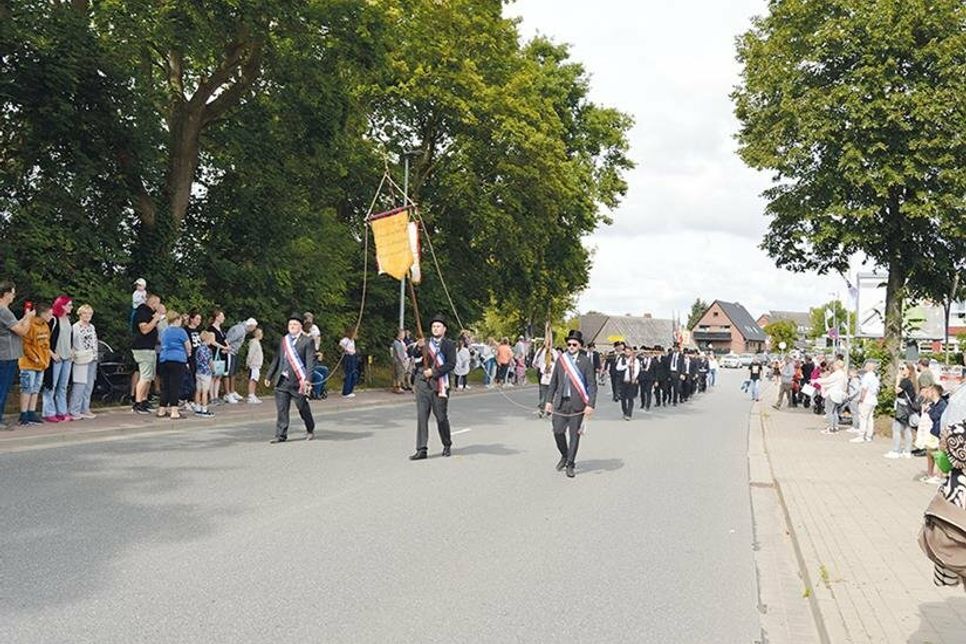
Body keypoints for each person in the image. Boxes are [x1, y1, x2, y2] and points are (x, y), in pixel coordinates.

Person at [544, 330, 597, 478]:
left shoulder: (585, 362)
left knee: (574, 435)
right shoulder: (562, 360)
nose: (571, 346)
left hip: (577, 404)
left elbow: (592, 385)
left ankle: (570, 464)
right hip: (561, 403)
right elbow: (553, 382)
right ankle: (565, 455)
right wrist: (548, 401)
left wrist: (590, 404)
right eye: (569, 344)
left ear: (580, 345)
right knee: (558, 431)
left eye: (574, 344)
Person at [408, 314, 456, 460]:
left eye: (438, 326)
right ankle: (421, 449)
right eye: (433, 326)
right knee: (422, 416)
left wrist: (434, 372)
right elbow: (413, 354)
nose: (435, 328)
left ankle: (446, 444)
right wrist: (418, 347)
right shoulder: (426, 342)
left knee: (441, 417)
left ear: (444, 329)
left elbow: (451, 364)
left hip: (439, 384)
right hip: (422, 382)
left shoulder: (449, 344)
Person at [264, 315, 316, 443]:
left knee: (302, 407)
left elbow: (310, 361)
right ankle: (280, 435)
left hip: (298, 382)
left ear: (300, 326)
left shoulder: (307, 341)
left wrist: (308, 379)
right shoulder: (284, 340)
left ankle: (310, 428)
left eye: (295, 324)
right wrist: (269, 375)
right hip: (282, 380)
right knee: (282, 409)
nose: (292, 326)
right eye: (290, 324)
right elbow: (277, 358)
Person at [0, 281, 32, 430]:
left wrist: (24, 318)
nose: (14, 296)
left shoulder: (4, 311)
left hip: (5, 354)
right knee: (3, 388)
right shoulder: (4, 311)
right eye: (13, 293)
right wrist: (29, 318)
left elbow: (13, 326)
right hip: (7, 355)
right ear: (6, 294)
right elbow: (22, 331)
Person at [17, 303, 53, 427]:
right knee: (27, 388)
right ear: (42, 314)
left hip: (41, 363)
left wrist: (46, 359)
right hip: (29, 363)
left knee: (36, 388)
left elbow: (46, 344)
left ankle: (31, 412)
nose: (51, 316)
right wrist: (35, 358)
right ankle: (23, 414)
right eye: (49, 314)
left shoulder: (45, 326)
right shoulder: (30, 325)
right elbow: (25, 344)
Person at [41, 295, 73, 422]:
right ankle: (48, 411)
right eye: (69, 305)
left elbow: (68, 338)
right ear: (62, 306)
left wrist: (71, 350)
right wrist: (52, 353)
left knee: (63, 386)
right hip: (56, 357)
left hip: (67, 357)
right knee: (51, 385)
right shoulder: (53, 320)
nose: (71, 307)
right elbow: (44, 339)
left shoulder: (68, 320)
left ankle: (62, 410)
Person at [132, 294, 164, 414]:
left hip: (150, 348)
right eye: (158, 303)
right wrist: (155, 320)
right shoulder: (142, 312)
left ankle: (144, 400)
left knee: (149, 377)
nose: (159, 306)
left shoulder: (149, 313)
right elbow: (144, 330)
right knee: (145, 376)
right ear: (153, 302)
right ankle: (138, 402)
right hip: (142, 348)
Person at [157, 310, 190, 419]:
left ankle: (161, 409)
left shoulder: (165, 331)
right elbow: (188, 346)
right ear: (176, 319)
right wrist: (188, 354)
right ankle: (174, 411)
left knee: (165, 385)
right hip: (177, 359)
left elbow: (161, 342)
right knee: (175, 385)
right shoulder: (181, 332)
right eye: (180, 319)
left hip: (164, 359)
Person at [67, 304, 98, 420]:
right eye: (85, 313)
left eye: (89, 313)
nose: (87, 316)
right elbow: (71, 342)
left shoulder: (92, 327)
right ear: (80, 314)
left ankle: (85, 408)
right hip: (81, 357)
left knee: (89, 385)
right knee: (79, 384)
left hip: (92, 357)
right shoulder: (75, 327)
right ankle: (74, 409)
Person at [885, 362, 920, 459]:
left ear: (909, 370)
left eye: (903, 369)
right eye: (900, 368)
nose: (901, 371)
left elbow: (897, 390)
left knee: (896, 429)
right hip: (908, 409)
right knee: (907, 429)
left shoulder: (905, 381)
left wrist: (898, 379)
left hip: (903, 408)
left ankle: (896, 450)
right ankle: (907, 451)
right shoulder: (912, 382)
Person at [223, 317, 257, 403]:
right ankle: (227, 394)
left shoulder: (243, 330)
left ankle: (232, 391)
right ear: (251, 325)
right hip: (229, 352)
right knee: (228, 372)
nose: (253, 330)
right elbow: (227, 340)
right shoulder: (240, 330)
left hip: (234, 352)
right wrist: (227, 348)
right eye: (254, 327)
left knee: (233, 372)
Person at [919, 384, 949, 484]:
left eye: (929, 391)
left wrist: (929, 410)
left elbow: (937, 417)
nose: (928, 393)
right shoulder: (933, 403)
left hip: (940, 432)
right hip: (934, 431)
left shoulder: (942, 404)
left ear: (934, 392)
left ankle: (939, 476)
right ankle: (930, 474)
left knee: (939, 453)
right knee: (929, 451)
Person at [850, 360, 880, 444]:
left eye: (866, 366)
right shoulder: (875, 377)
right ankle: (869, 436)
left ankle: (861, 436)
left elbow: (864, 388)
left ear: (869, 367)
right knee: (870, 418)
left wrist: (861, 399)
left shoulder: (867, 376)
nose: (865, 367)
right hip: (873, 400)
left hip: (866, 399)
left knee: (863, 418)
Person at [817, 359, 847, 434]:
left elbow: (828, 381)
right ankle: (835, 427)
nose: (833, 366)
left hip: (832, 393)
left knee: (829, 411)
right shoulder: (843, 374)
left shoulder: (836, 374)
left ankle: (830, 428)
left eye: (834, 365)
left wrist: (817, 380)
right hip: (839, 395)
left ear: (837, 366)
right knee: (834, 411)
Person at [207, 310, 229, 404]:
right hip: (214, 353)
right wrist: (223, 347)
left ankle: (216, 396)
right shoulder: (211, 329)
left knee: (219, 376)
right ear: (217, 317)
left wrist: (228, 347)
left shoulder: (221, 329)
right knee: (213, 376)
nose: (224, 318)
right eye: (222, 316)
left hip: (222, 354)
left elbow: (225, 340)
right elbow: (212, 342)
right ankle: (212, 397)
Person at [533, 338, 556, 419]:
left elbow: (557, 363)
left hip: (552, 379)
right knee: (543, 393)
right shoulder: (540, 351)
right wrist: (545, 368)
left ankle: (549, 409)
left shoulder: (554, 351)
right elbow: (535, 362)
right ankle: (542, 408)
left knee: (551, 394)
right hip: (543, 377)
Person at [194, 331, 215, 417]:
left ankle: (197, 408)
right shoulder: (208, 350)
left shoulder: (198, 349)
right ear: (208, 339)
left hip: (198, 371)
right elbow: (210, 362)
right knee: (205, 391)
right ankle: (204, 409)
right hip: (206, 372)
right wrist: (213, 370)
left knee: (198, 390)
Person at [615, 344, 638, 420]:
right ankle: (625, 412)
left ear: (631, 352)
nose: (627, 353)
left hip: (631, 382)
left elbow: (637, 370)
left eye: (629, 352)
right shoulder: (622, 359)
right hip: (623, 381)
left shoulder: (635, 360)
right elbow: (618, 368)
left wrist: (634, 377)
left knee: (630, 398)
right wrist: (627, 366)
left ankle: (629, 414)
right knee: (623, 398)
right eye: (626, 352)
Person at [339, 328, 360, 398]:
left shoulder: (352, 340)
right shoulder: (345, 340)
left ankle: (350, 391)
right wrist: (345, 349)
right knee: (349, 374)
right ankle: (346, 392)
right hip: (348, 357)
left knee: (352, 373)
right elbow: (341, 344)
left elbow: (356, 338)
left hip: (353, 356)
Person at [245, 327, 264, 404]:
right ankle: (250, 396)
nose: (262, 335)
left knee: (255, 380)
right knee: (252, 380)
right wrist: (248, 363)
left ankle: (253, 394)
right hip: (253, 365)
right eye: (261, 333)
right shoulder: (254, 342)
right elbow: (251, 353)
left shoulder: (257, 342)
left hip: (257, 365)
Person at [391, 328, 409, 394]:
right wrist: (402, 360)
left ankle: (394, 387)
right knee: (399, 374)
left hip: (395, 360)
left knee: (395, 374)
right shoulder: (397, 343)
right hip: (398, 361)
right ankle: (398, 387)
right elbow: (399, 353)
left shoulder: (396, 342)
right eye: (403, 334)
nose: (404, 335)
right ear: (399, 334)